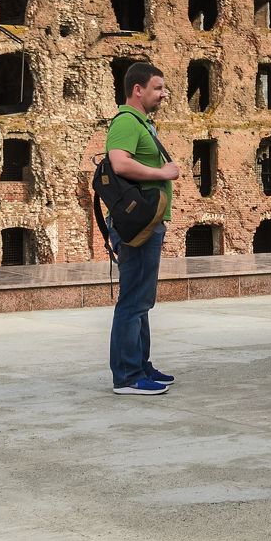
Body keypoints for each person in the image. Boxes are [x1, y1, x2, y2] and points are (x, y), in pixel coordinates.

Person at [105, 61, 182, 395]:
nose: (163, 95)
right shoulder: (125, 121)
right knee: (133, 299)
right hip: (137, 224)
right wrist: (164, 174)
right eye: (158, 88)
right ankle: (126, 375)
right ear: (138, 90)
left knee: (142, 299)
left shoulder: (142, 123)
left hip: (149, 222)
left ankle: (140, 364)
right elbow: (119, 162)